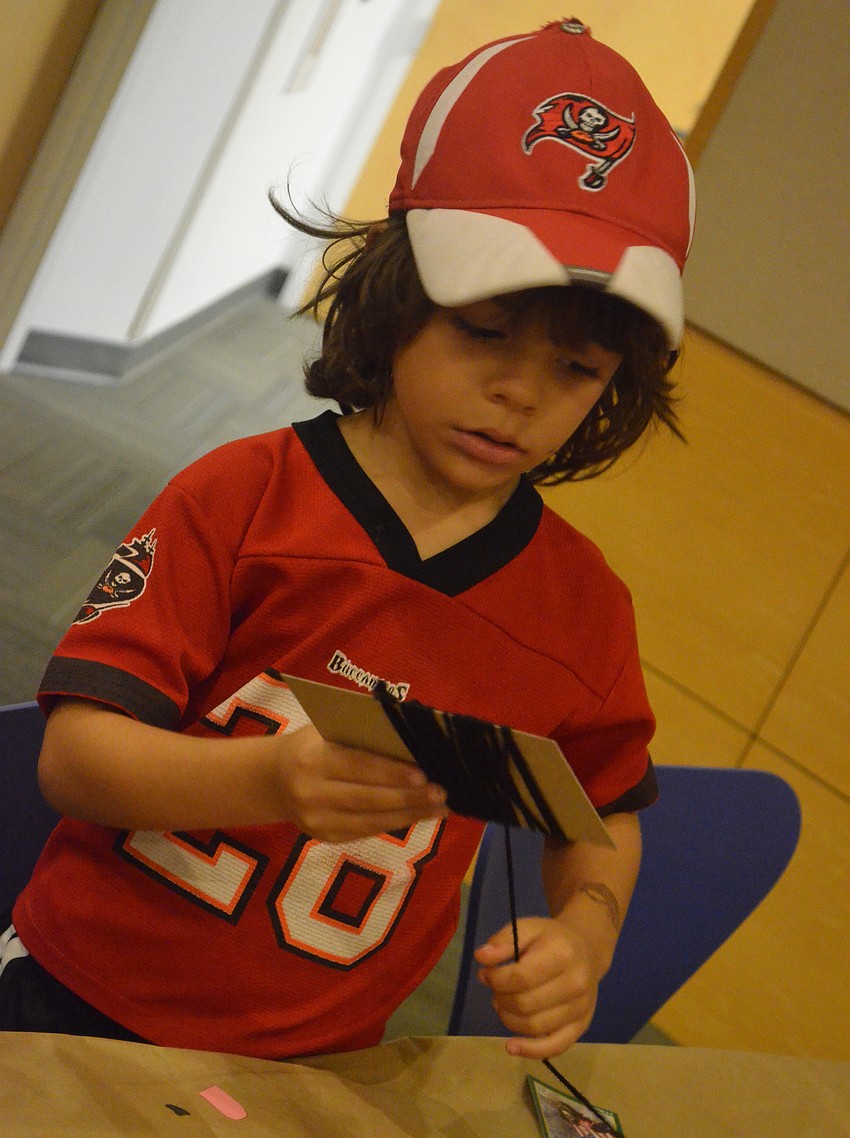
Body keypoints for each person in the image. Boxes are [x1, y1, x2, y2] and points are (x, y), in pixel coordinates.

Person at [1, 19, 694, 1061]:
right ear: (395, 294)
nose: (518, 393)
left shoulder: (580, 609)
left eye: (577, 368)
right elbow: (76, 757)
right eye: (484, 332)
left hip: (320, 1069)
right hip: (79, 1000)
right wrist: (269, 783)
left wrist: (584, 931)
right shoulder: (242, 498)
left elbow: (600, 812)